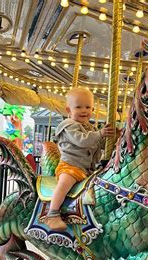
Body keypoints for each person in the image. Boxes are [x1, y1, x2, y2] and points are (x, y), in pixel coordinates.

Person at [43, 87, 113, 231]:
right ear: (69, 110)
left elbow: (97, 145)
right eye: (79, 107)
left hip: (87, 170)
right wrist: (100, 133)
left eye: (88, 107)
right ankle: (52, 214)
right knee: (64, 184)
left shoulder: (91, 128)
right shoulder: (69, 126)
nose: (84, 110)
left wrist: (110, 138)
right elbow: (82, 141)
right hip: (70, 166)